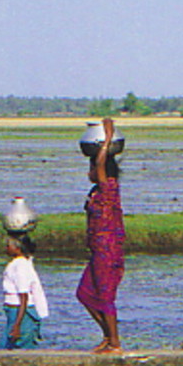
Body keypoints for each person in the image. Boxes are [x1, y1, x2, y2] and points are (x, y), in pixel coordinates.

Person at [76, 115, 125, 352]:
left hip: (109, 251)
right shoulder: (96, 191)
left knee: (105, 297)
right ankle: (108, 335)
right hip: (97, 251)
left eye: (92, 169)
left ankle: (114, 342)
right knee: (84, 293)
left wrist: (106, 139)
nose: (90, 173)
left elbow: (101, 165)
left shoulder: (110, 188)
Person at [1, 229, 49, 349]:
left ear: (17, 248)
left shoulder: (21, 266)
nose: (6, 249)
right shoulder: (17, 264)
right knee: (9, 345)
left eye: (8, 246)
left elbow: (24, 296)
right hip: (14, 310)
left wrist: (17, 324)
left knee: (22, 345)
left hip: (21, 311)